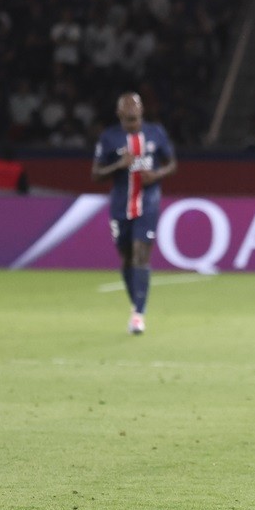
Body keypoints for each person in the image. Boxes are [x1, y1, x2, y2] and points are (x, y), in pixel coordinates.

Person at [92, 92, 176, 335]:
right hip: (121, 206)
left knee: (141, 255)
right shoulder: (109, 138)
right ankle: (135, 305)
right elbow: (95, 175)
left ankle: (138, 315)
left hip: (148, 203)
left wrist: (157, 175)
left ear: (142, 110)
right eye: (127, 106)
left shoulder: (155, 133)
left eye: (136, 105)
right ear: (119, 112)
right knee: (127, 258)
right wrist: (118, 166)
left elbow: (171, 164)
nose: (132, 109)